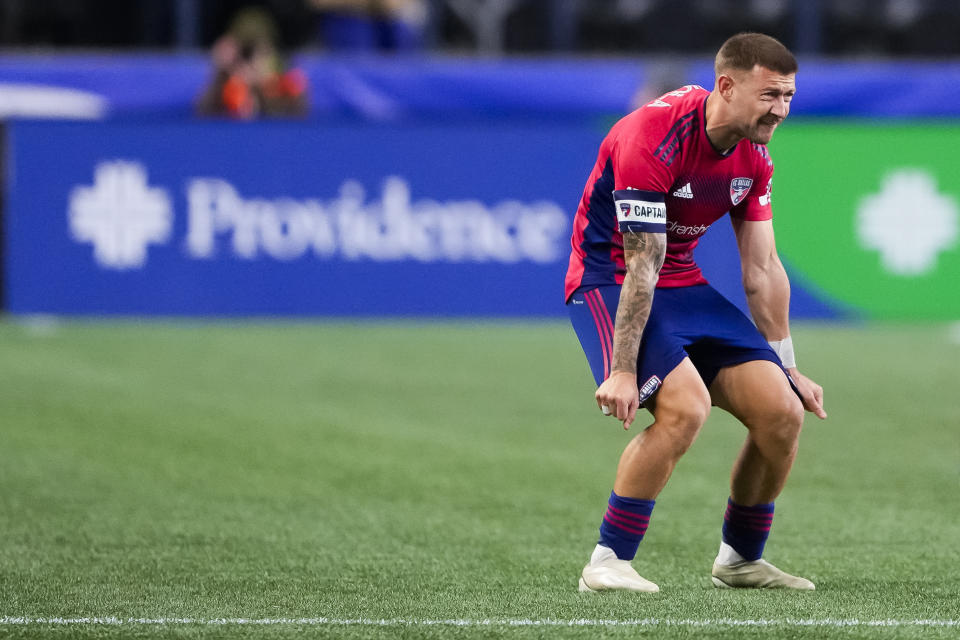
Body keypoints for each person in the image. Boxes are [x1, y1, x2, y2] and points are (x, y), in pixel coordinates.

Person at [565, 32, 826, 593]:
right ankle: (607, 561)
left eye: (788, 96)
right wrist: (624, 370)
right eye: (770, 95)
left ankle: (740, 560)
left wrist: (788, 365)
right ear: (727, 86)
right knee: (686, 408)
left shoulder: (754, 159)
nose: (781, 109)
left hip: (681, 281)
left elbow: (762, 270)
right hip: (609, 279)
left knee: (782, 411)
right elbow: (641, 263)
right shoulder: (650, 136)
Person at [196, 7, 308, 120]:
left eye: (262, 50)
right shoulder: (225, 78)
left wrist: (267, 85)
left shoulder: (284, 76)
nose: (253, 59)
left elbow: (300, 110)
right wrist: (221, 73)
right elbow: (203, 110)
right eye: (247, 51)